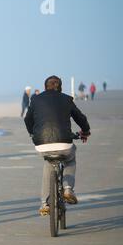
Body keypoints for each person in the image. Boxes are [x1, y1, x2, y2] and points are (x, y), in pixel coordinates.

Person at [24, 75, 91, 216]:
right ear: (60, 87)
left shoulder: (36, 99)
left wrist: (32, 133)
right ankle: (67, 188)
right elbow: (80, 117)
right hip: (64, 143)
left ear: (45, 87)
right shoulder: (67, 99)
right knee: (70, 158)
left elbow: (27, 119)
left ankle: (44, 203)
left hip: (42, 143)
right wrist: (85, 131)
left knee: (49, 163)